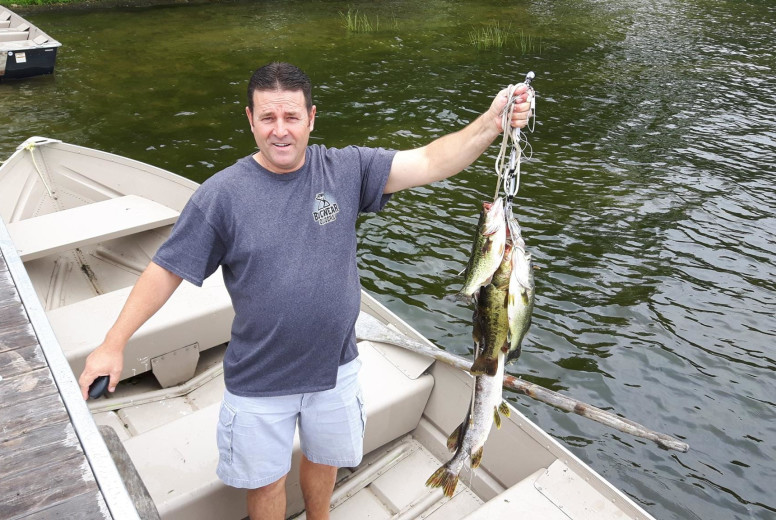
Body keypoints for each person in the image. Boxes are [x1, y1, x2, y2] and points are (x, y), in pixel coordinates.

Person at [78, 62, 533, 520]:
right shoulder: (222, 195)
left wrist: (492, 123)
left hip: (335, 368)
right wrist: (113, 344)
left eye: (291, 117)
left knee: (325, 460)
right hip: (259, 379)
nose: (280, 131)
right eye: (268, 118)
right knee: (266, 482)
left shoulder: (346, 169)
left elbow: (432, 160)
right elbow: (165, 270)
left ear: (311, 118)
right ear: (250, 120)